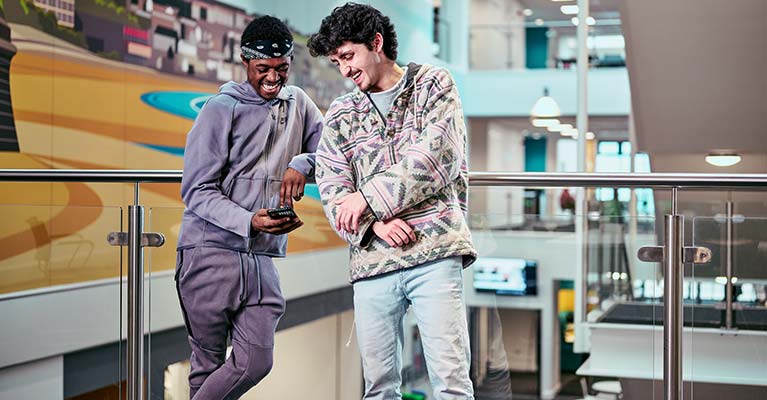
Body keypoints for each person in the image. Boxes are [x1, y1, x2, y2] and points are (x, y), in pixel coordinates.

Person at [308, 3, 477, 399]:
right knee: (379, 388)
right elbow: (333, 189)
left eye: (348, 56)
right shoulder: (340, 113)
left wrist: (366, 199)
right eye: (336, 62)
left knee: (452, 384)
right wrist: (373, 224)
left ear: (376, 43)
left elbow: (438, 158)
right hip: (372, 262)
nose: (344, 70)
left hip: (435, 253)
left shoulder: (434, 84)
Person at [175, 15, 322, 399]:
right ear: (245, 61)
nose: (273, 78)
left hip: (260, 259)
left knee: (257, 360)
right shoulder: (219, 109)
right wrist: (248, 220)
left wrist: (302, 163)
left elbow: (335, 156)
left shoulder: (300, 105)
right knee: (205, 368)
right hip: (208, 254)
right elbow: (196, 189)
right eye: (263, 69)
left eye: (281, 69)